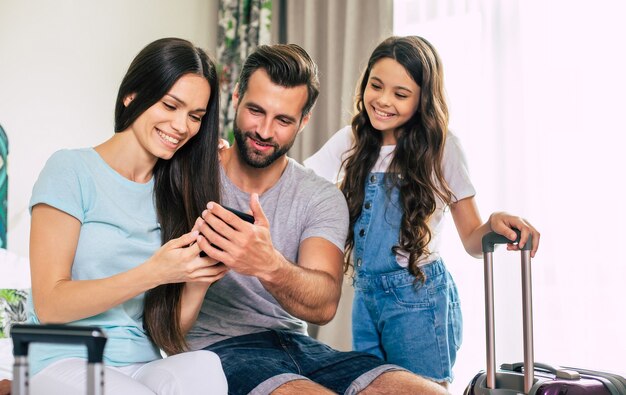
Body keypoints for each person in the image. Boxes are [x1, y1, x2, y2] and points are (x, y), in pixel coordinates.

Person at [177, 43, 449, 395]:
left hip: (301, 347)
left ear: (304, 120)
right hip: (222, 349)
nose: (264, 131)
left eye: (283, 120)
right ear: (235, 99)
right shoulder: (189, 177)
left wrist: (268, 264)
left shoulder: (320, 196)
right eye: (255, 111)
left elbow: (323, 305)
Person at [304, 35, 541, 388]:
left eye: (400, 94)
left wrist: (491, 224)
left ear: (422, 99)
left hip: (417, 300)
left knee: (423, 389)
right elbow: (297, 178)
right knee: (370, 387)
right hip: (366, 297)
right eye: (376, 86)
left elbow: (473, 241)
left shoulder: (442, 148)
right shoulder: (353, 140)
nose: (383, 101)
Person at [26, 37, 228, 394]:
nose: (181, 126)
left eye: (195, 116)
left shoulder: (175, 191)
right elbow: (50, 304)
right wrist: (153, 272)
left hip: (141, 360)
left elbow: (167, 331)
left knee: (204, 366)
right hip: (64, 358)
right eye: (170, 105)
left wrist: (198, 279)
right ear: (132, 95)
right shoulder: (70, 170)